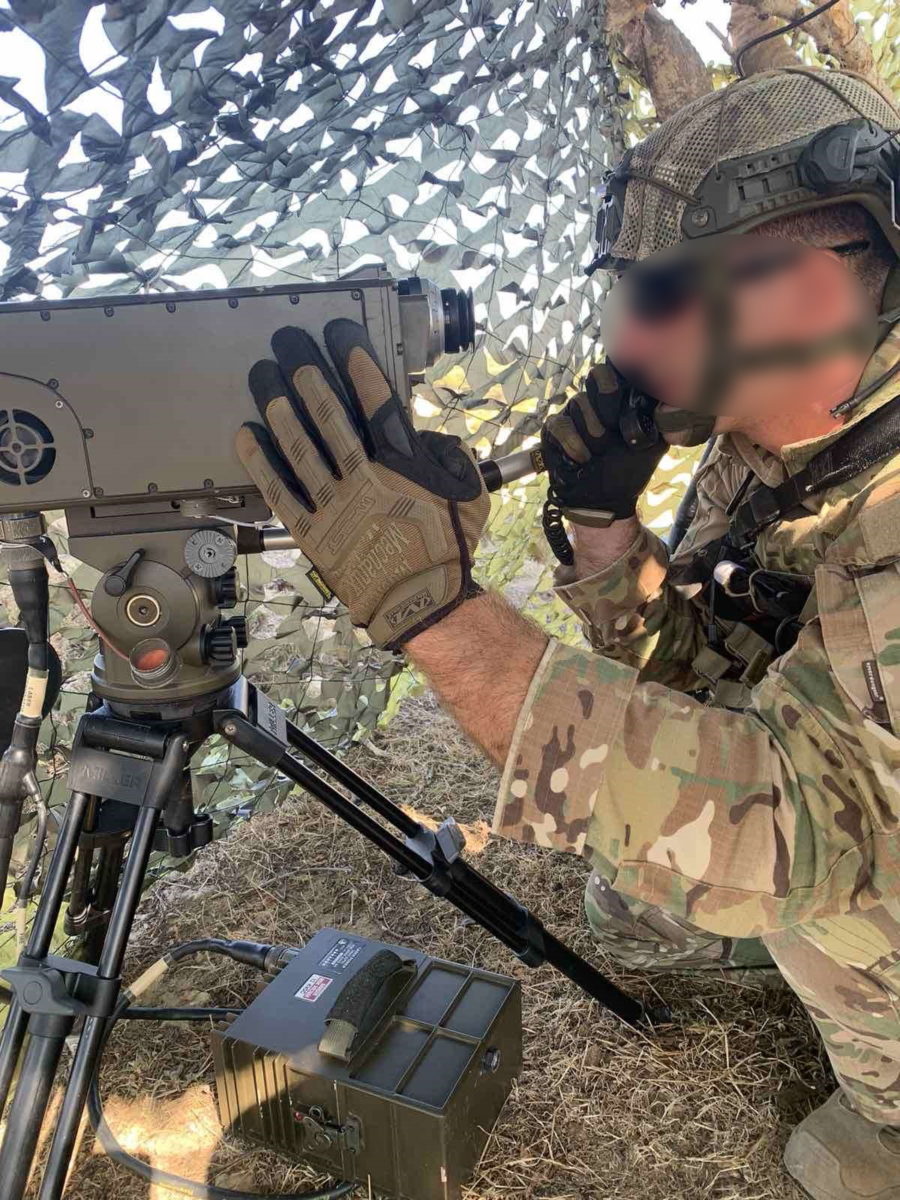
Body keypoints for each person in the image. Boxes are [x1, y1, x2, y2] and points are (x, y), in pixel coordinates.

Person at [235, 67, 900, 1200]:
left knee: (808, 908)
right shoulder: (779, 436)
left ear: (815, 287)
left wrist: (438, 612)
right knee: (633, 907)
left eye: (661, 293)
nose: (625, 336)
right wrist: (602, 526)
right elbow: (706, 679)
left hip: (849, 829)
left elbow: (800, 837)